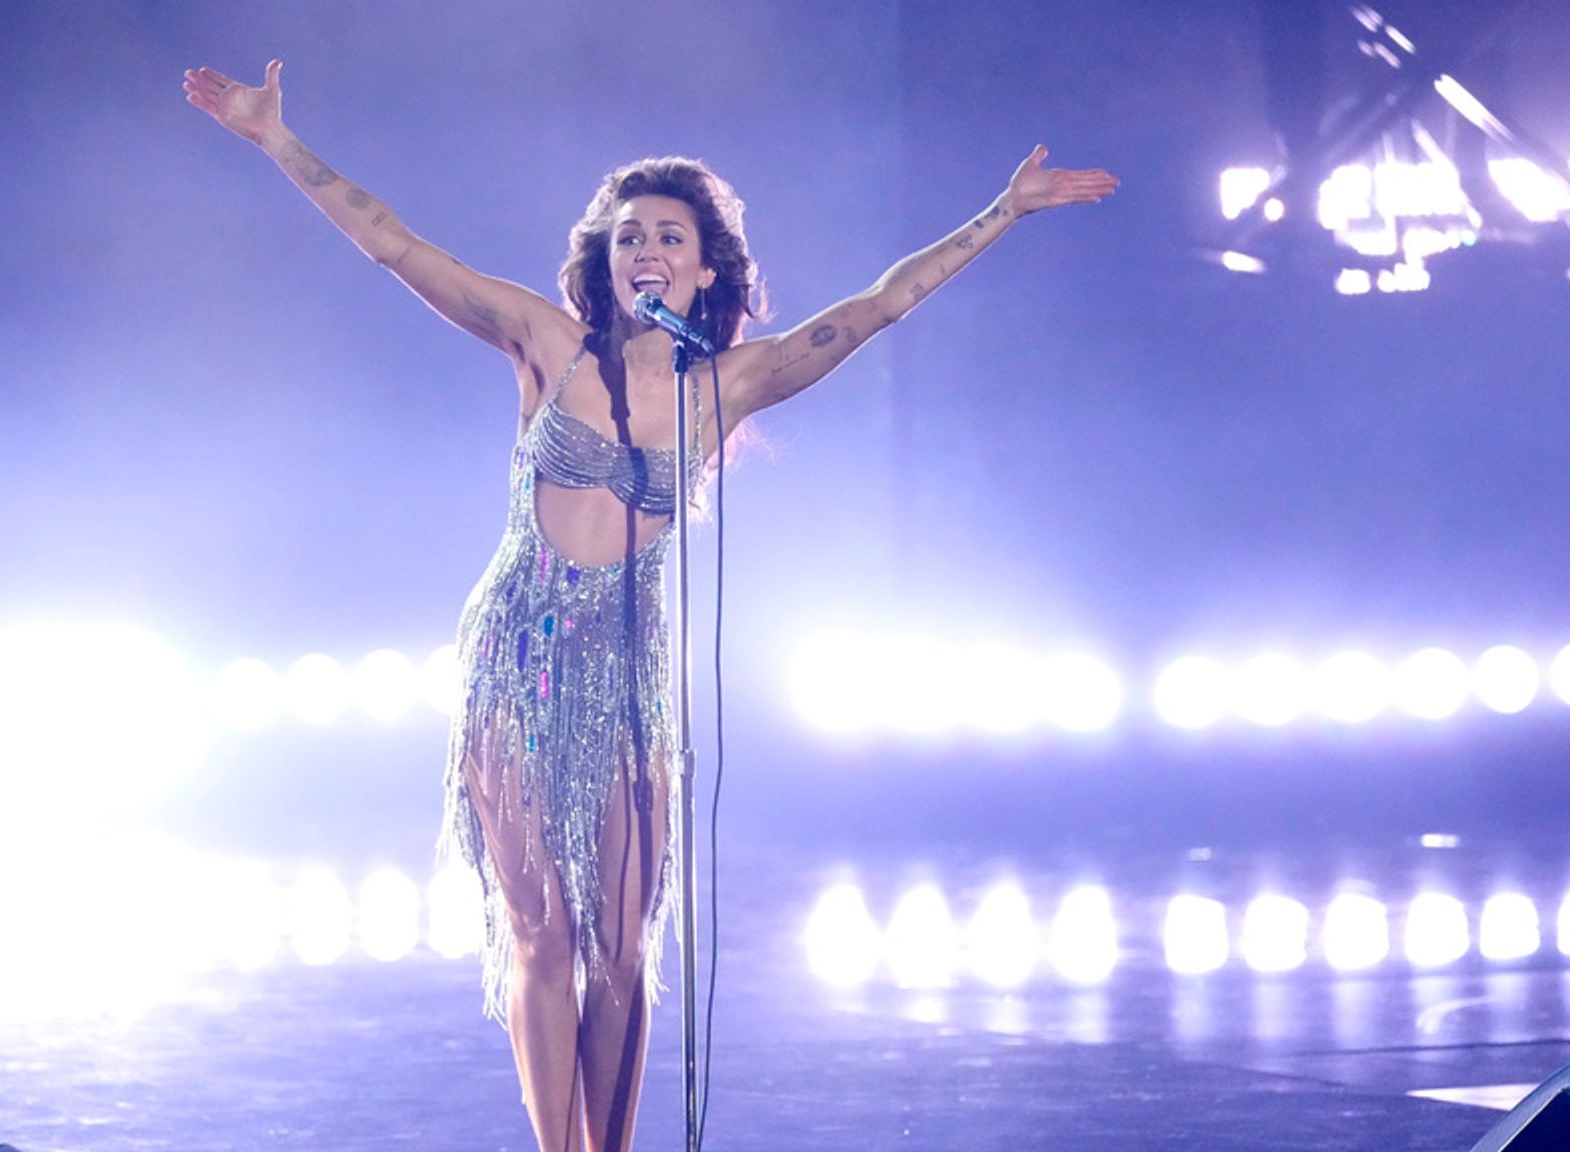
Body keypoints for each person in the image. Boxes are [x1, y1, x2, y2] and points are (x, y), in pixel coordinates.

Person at [183, 57, 1117, 1152]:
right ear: (603, 258)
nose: (647, 250)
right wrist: (275, 141)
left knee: (621, 951)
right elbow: (391, 240)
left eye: (669, 235)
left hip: (630, 669)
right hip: (518, 659)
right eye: (629, 235)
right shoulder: (543, 341)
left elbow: (876, 308)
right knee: (536, 940)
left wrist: (999, 213)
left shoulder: (728, 383)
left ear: (705, 265)